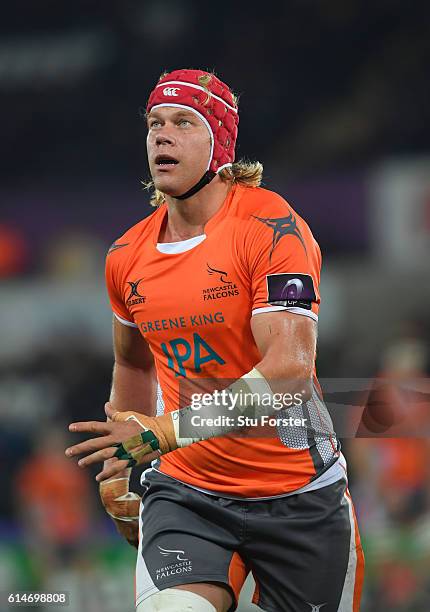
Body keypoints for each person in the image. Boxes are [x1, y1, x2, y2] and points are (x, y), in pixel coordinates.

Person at [66, 69, 364, 612]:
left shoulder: (272, 228)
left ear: (219, 143)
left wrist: (166, 431)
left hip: (299, 495)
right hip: (188, 493)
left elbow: (290, 374)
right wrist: (123, 457)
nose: (161, 134)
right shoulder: (125, 257)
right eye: (155, 123)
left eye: (183, 122)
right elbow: (133, 366)